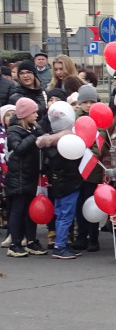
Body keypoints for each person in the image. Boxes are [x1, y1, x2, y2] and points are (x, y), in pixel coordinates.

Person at [35, 101, 82, 259]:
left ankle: (62, 243)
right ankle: (60, 245)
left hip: (59, 184)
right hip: (69, 183)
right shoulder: (68, 142)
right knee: (65, 215)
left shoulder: (50, 144)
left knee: (61, 213)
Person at [6, 98, 46, 257]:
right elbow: (18, 148)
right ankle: (15, 243)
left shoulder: (33, 127)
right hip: (19, 178)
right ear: (25, 114)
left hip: (30, 176)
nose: (37, 115)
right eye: (34, 112)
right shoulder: (14, 130)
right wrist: (33, 137)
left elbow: (42, 139)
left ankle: (31, 240)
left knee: (31, 211)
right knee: (18, 210)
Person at [70, 85, 107, 254]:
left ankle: (93, 238)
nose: (88, 105)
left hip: (92, 170)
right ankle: (81, 236)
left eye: (92, 101)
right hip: (75, 170)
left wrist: (85, 156)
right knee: (78, 205)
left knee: (91, 204)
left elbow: (97, 147)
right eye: (85, 102)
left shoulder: (100, 121)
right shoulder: (74, 120)